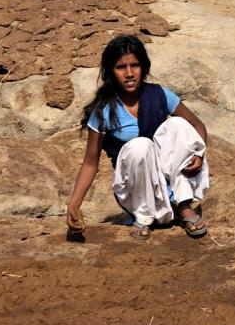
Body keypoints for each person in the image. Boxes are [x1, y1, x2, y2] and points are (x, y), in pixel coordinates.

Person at [65, 35, 210, 240]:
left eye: (135, 65)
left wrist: (199, 154)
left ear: (144, 67)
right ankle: (143, 215)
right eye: (121, 67)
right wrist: (74, 204)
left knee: (177, 124)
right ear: (110, 72)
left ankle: (183, 205)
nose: (129, 73)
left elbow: (197, 125)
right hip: (135, 189)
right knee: (140, 146)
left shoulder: (159, 94)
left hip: (167, 177)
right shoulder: (104, 110)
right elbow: (90, 162)